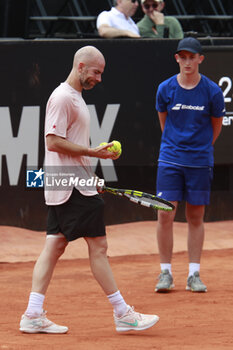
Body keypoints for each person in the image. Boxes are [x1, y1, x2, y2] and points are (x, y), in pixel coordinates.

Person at [19, 46, 159, 334]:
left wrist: (90, 176)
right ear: (81, 66)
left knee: (54, 245)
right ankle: (123, 313)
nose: (99, 78)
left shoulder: (77, 99)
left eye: (101, 73)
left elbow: (70, 151)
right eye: (96, 72)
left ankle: (33, 314)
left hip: (70, 182)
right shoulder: (62, 98)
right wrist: (93, 154)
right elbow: (53, 142)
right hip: (70, 185)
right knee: (99, 247)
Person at [155, 37, 224, 293]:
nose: (187, 62)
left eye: (191, 57)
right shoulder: (165, 89)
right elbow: (165, 123)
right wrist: (176, 145)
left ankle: (194, 274)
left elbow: (216, 126)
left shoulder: (212, 91)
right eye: (182, 57)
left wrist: (202, 147)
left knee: (195, 216)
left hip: (199, 162)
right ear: (177, 59)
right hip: (170, 159)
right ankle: (165, 272)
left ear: (200, 59)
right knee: (164, 214)